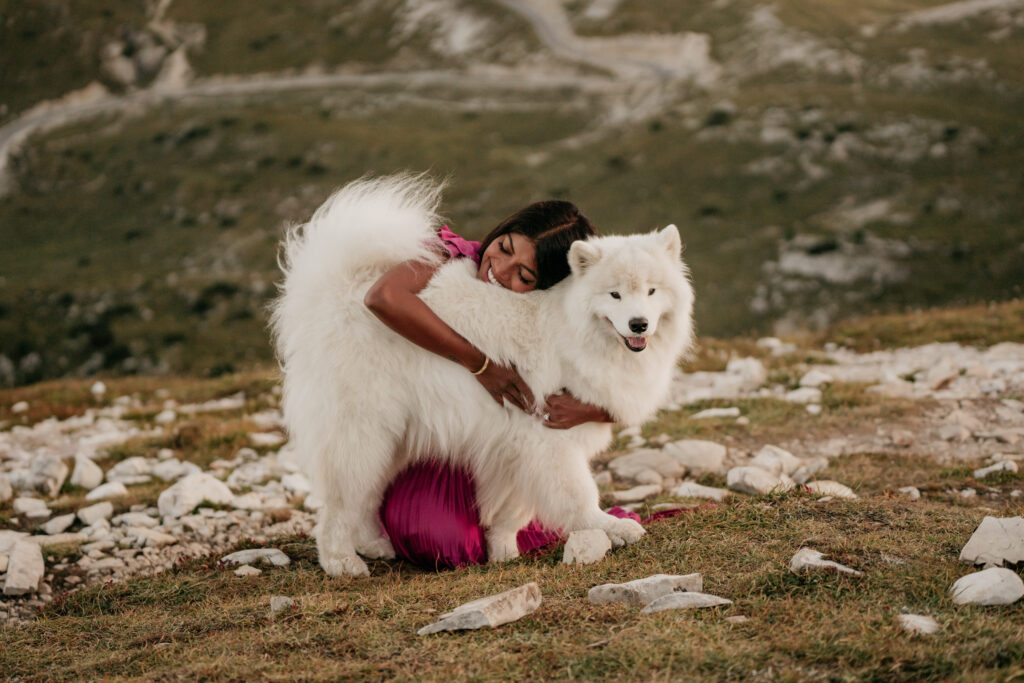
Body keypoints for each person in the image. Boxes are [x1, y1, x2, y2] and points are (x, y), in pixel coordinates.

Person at [363, 200, 613, 568]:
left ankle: (526, 519)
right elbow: (383, 298)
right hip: (433, 442)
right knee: (440, 544)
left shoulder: (553, 312)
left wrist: (593, 409)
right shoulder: (448, 254)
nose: (499, 270)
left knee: (482, 538)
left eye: (524, 276)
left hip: (501, 457)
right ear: (502, 228)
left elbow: (619, 374)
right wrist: (479, 363)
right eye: (505, 248)